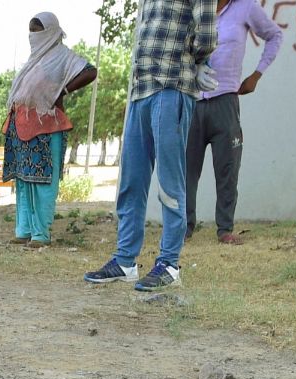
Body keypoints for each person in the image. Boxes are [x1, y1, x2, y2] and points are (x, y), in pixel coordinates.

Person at [84, 0, 217, 293]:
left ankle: (169, 264)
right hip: (140, 91)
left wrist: (197, 60)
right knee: (131, 182)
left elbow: (206, 30)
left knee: (170, 184)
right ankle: (125, 261)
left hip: (171, 87)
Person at [186, 0, 282, 245]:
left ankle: (225, 229)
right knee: (186, 169)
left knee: (227, 168)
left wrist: (256, 75)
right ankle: (184, 227)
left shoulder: (246, 7)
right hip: (191, 100)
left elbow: (274, 35)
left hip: (225, 100)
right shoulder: (196, 7)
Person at [3, 13, 98, 249]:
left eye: (39, 31)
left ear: (52, 32)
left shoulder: (63, 57)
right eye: (31, 31)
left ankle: (41, 234)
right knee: (24, 181)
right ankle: (23, 230)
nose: (34, 36)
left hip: (46, 127)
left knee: (42, 182)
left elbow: (90, 71)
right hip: (21, 125)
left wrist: (63, 91)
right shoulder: (33, 60)